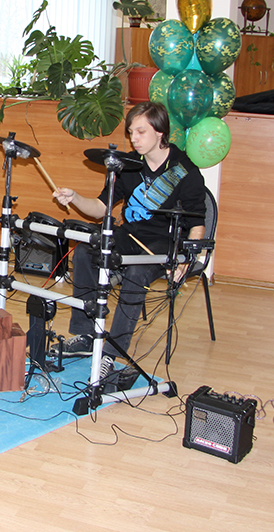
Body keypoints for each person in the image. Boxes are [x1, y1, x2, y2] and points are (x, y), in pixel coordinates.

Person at [51, 101, 205, 390]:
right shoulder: (129, 166)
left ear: (160, 132)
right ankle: (86, 335)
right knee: (84, 252)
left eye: (141, 132)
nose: (133, 138)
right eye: (131, 132)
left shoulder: (185, 170)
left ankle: (111, 353)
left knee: (136, 273)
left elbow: (197, 224)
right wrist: (75, 198)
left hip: (163, 244)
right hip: (129, 235)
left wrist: (186, 260)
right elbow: (100, 208)